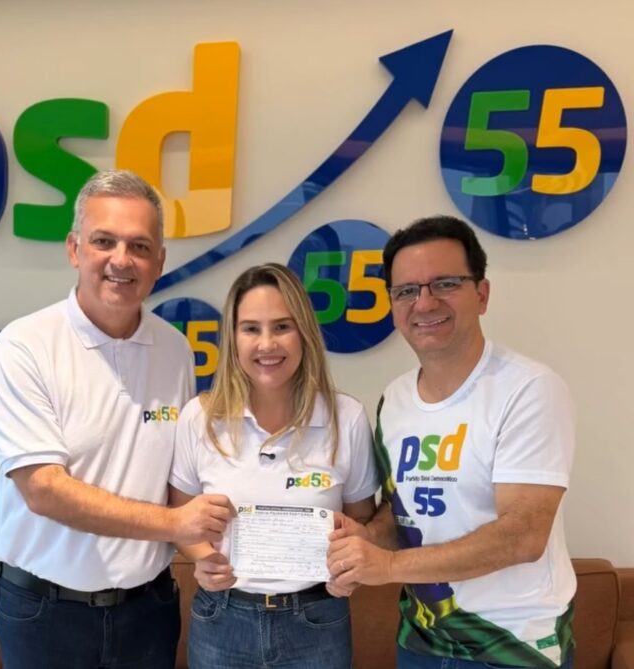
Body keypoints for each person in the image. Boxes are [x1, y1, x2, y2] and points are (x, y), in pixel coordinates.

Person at [0, 169, 232, 669]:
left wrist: (207, 552)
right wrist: (175, 523)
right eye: (104, 241)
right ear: (74, 249)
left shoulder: (176, 351)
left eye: (140, 246)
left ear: (159, 262)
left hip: (148, 610)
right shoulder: (24, 346)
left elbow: (178, 480)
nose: (122, 259)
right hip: (46, 614)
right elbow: (44, 489)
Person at [327, 216, 576, 669]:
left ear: (481, 294)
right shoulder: (394, 400)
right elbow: (400, 513)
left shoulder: (529, 389)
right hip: (420, 641)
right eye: (406, 290)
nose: (424, 302)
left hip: (514, 645)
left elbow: (523, 536)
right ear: (392, 305)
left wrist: (387, 567)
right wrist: (366, 539)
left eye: (444, 283)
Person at [169, 262, 379, 669]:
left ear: (304, 333)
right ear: (232, 338)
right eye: (251, 328)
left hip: (317, 619)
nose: (267, 344)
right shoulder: (200, 417)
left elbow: (361, 522)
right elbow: (179, 519)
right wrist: (201, 557)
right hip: (222, 618)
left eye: (282, 326)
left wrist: (349, 564)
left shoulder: (346, 418)